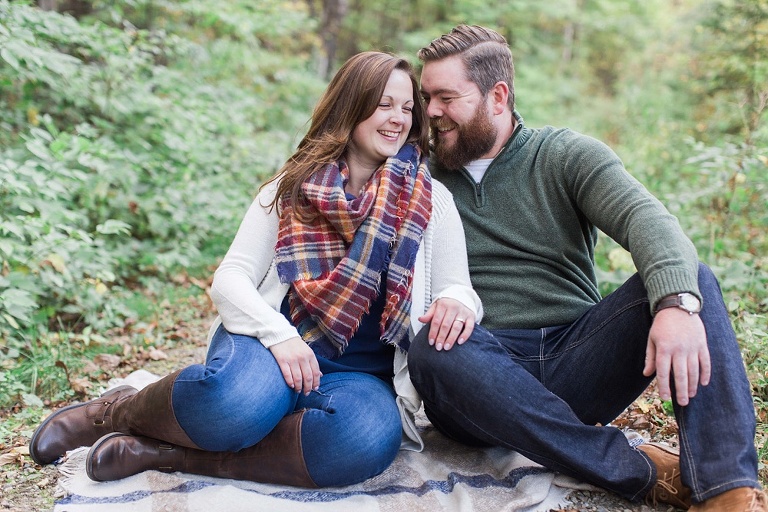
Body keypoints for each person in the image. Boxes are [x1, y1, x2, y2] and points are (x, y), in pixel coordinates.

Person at [29, 51, 482, 488]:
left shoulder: (429, 199)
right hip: (270, 348)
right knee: (233, 402)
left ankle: (170, 455)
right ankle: (115, 412)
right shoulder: (292, 188)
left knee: (364, 440)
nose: (398, 118)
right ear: (351, 107)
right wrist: (280, 336)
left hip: (359, 378)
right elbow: (230, 278)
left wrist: (455, 302)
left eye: (407, 108)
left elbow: (458, 288)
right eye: (383, 104)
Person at [407, 24, 766, 511]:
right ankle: (638, 469)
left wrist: (675, 306)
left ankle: (726, 489)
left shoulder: (565, 155)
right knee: (434, 346)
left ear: (497, 96)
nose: (430, 112)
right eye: (427, 97)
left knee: (691, 281)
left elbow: (650, 224)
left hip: (576, 356)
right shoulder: (414, 175)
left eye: (446, 97)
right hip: (479, 374)